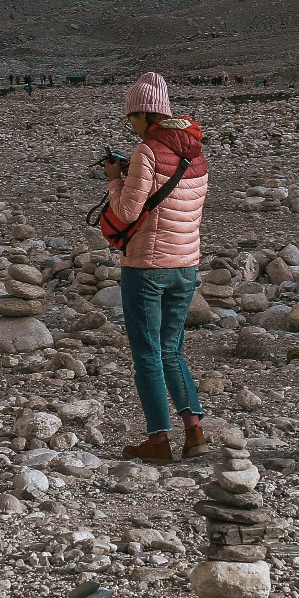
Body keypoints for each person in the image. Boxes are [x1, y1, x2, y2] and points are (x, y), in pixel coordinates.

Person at [103, 71, 209, 462]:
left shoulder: (146, 151)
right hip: (186, 263)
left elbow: (129, 210)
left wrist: (116, 180)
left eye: (131, 117)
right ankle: (194, 432)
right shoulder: (195, 152)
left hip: (147, 265)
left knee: (147, 352)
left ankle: (158, 438)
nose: (129, 125)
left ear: (146, 115)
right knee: (172, 349)